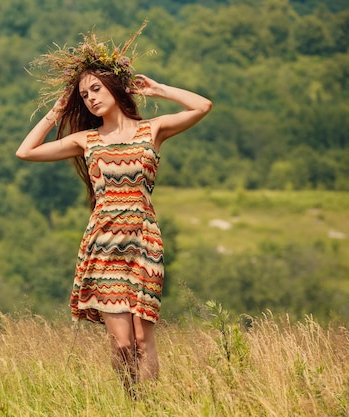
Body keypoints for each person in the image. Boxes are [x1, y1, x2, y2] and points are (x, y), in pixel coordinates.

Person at [16, 22, 212, 396]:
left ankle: (148, 405)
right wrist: (57, 110)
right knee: (121, 343)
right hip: (104, 244)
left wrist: (158, 89)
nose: (90, 98)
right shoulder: (85, 140)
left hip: (143, 239)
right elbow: (25, 152)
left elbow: (203, 105)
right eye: (84, 94)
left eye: (96, 89)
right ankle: (130, 399)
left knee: (142, 338)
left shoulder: (151, 130)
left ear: (114, 89)